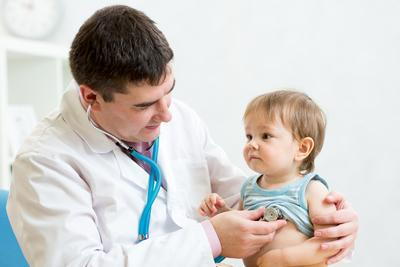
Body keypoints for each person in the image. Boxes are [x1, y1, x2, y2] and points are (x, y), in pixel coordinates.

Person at [7, 5, 357, 267]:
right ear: (91, 97)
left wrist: (328, 225)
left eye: (169, 91)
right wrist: (211, 239)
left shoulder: (180, 118)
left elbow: (247, 194)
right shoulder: (44, 162)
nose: (167, 114)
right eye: (144, 106)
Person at [199, 90, 348, 267]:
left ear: (302, 148)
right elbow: (242, 226)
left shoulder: (312, 190)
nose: (252, 144)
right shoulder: (249, 188)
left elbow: (330, 244)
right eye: (249, 136)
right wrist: (222, 213)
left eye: (265, 136)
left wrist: (283, 259)